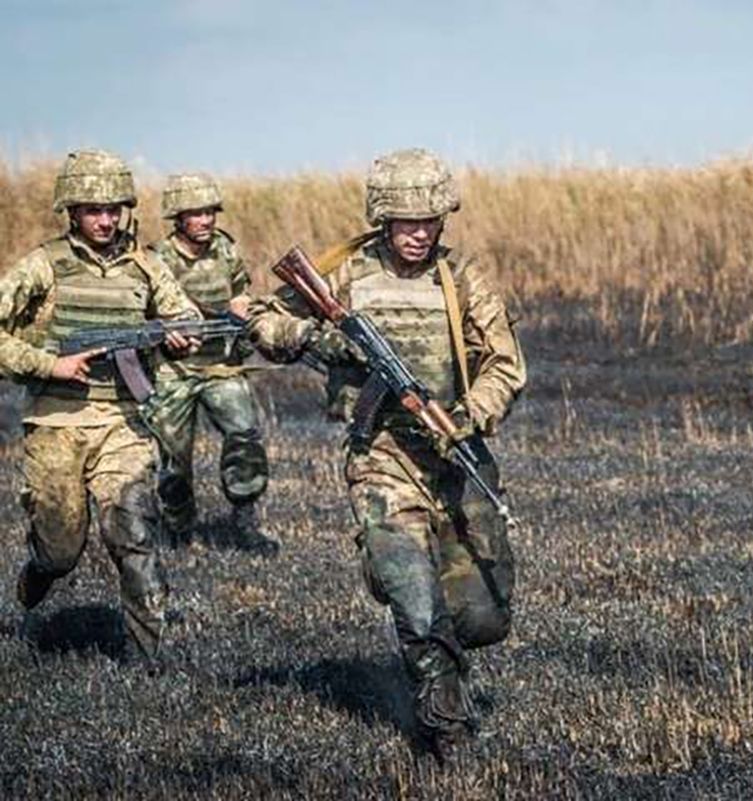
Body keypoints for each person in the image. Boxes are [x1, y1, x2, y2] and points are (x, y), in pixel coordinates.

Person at [248, 148, 525, 751]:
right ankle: (446, 728)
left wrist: (467, 414)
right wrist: (314, 337)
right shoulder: (344, 272)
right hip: (380, 457)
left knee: (484, 616)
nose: (419, 233)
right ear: (383, 219)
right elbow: (263, 321)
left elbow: (505, 365)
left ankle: (446, 658)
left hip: (456, 455)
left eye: (429, 221)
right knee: (414, 597)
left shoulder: (461, 278)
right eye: (406, 222)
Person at [0, 149, 200, 665]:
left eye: (114, 209)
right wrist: (49, 365)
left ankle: (147, 662)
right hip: (56, 424)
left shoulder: (145, 266)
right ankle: (40, 569)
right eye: (93, 210)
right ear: (71, 211)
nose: (106, 220)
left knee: (135, 533)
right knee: (62, 549)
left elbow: (184, 315)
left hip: (123, 423)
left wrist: (181, 337)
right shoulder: (44, 264)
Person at [149, 173, 271, 548]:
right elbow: (142, 311)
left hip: (221, 365)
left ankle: (244, 511)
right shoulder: (157, 258)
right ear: (178, 217)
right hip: (174, 370)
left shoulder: (225, 250)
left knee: (245, 433)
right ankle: (178, 527)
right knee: (172, 458)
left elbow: (241, 291)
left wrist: (242, 304)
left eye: (210, 212)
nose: (205, 220)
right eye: (196, 213)